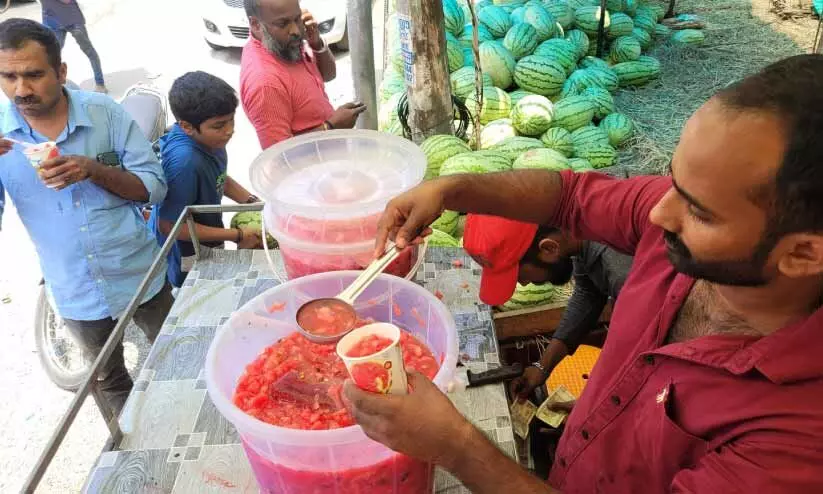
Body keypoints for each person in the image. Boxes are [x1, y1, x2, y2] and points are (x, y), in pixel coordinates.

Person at [345, 54, 823, 493]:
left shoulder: (799, 440)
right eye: (674, 181)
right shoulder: (682, 225)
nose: (657, 214)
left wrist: (455, 445)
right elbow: (568, 196)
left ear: (803, 254)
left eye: (699, 212)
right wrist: (452, 190)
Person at [0, 19, 170, 416]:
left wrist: (94, 170)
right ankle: (132, 450)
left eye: (34, 75)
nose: (21, 89)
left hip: (138, 270)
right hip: (74, 288)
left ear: (61, 72)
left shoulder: (105, 114)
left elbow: (153, 187)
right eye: (8, 76)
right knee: (107, 380)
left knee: (175, 354)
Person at [461, 214, 633, 401]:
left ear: (549, 248)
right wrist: (542, 367)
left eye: (521, 276)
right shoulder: (577, 234)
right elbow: (588, 293)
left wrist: (593, 407)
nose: (525, 284)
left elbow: (646, 355)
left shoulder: (623, 274)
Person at [148, 71, 263, 288]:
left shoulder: (210, 141)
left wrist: (252, 203)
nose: (229, 131)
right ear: (187, 126)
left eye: (231, 121)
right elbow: (170, 226)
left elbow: (219, 178)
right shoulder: (185, 163)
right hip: (187, 249)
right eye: (219, 125)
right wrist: (236, 235)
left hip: (209, 233)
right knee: (197, 289)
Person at [240, 0, 366, 149]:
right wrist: (331, 126)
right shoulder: (264, 83)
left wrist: (316, 42)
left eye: (297, 18)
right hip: (309, 168)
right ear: (255, 24)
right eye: (283, 23)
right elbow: (279, 155)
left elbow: (328, 75)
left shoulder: (283, 46)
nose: (296, 31)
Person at [40, 0, 107, 93]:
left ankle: (100, 83)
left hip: (72, 20)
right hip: (52, 22)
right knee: (50, 57)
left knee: (89, 51)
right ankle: (53, 88)